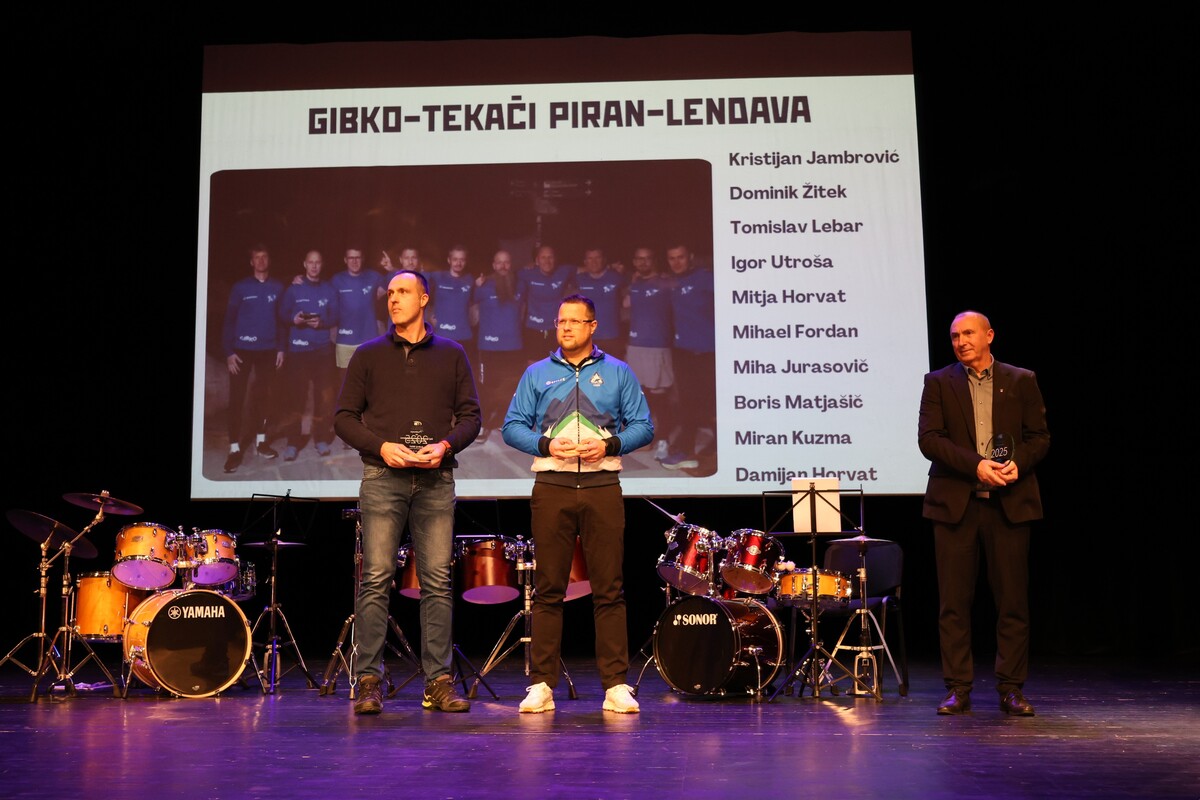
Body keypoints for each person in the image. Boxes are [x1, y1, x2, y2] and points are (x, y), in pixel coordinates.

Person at [334, 269, 480, 715]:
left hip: (436, 480)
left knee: (436, 581)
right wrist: (381, 446)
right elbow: (344, 418)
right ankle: (368, 681)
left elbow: (471, 417)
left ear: (424, 299)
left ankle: (438, 683)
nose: (393, 299)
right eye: (391, 293)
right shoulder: (368, 354)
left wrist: (446, 445)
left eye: (403, 292)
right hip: (383, 477)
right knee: (377, 577)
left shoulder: (452, 353)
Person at [502, 294, 654, 714]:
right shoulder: (536, 373)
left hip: (602, 486)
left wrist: (610, 444)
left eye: (575, 321)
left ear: (592, 326)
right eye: (560, 321)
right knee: (549, 589)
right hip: (552, 485)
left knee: (609, 588)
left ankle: (616, 685)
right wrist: (546, 443)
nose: (566, 327)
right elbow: (512, 426)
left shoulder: (618, 371)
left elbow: (644, 426)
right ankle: (541, 684)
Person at [918, 310, 1050, 717]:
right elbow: (929, 440)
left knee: (1012, 602)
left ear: (989, 335)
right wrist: (976, 465)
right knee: (954, 604)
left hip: (1009, 503)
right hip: (955, 505)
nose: (960, 342)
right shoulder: (938, 382)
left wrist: (1017, 464)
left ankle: (1011, 688)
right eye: (954, 336)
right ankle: (958, 687)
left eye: (968, 333)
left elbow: (1039, 437)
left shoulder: (1021, 380)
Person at [221, 243, 284, 472]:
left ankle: (261, 441)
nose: (261, 261)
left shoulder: (278, 287)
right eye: (257, 257)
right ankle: (234, 448)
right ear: (251, 262)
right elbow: (229, 321)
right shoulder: (240, 287)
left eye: (264, 256)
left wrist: (281, 348)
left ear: (269, 260)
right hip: (242, 351)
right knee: (237, 398)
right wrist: (229, 352)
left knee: (263, 397)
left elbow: (281, 320)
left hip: (268, 350)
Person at [276, 249, 338, 460]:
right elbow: (282, 314)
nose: (314, 266)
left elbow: (335, 315)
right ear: (304, 264)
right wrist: (293, 320)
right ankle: (293, 443)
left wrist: (322, 323)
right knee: (296, 398)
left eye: (317, 262)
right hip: (298, 351)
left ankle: (320, 439)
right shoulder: (294, 289)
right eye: (310, 262)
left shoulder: (328, 289)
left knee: (323, 398)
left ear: (322, 265)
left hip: (322, 352)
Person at [663, 242, 716, 472]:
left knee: (710, 404)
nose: (676, 262)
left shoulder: (705, 278)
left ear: (690, 257)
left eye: (681, 257)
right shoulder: (671, 282)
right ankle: (686, 451)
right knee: (687, 403)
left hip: (707, 353)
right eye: (672, 258)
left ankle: (718, 450)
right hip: (682, 352)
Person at [624, 245, 675, 462]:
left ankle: (664, 440)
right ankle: (645, 439)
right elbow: (626, 304)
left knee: (660, 397)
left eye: (647, 258)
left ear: (654, 260)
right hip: (636, 346)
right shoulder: (635, 284)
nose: (642, 262)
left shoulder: (667, 283)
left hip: (658, 347)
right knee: (640, 395)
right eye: (638, 258)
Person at [470, 249, 525, 442]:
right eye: (499, 262)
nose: (503, 266)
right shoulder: (482, 286)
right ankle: (483, 423)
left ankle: (503, 421)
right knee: (486, 387)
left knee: (510, 386)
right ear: (493, 265)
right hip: (489, 347)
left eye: (506, 262)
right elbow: (469, 308)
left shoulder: (520, 284)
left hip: (513, 346)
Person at [516, 244, 575, 365]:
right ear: (537, 260)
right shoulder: (526, 273)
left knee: (557, 365)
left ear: (555, 259)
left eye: (550, 257)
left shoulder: (564, 271)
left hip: (556, 328)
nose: (547, 261)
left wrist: (610, 266)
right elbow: (504, 274)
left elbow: (587, 269)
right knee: (534, 366)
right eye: (543, 257)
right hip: (533, 328)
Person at [427, 244, 477, 372]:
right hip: (442, 334)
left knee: (461, 373)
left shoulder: (471, 280)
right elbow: (420, 296)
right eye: (455, 259)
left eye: (462, 260)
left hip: (464, 335)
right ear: (449, 260)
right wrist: (428, 316)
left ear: (465, 261)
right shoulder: (437, 277)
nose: (458, 263)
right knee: (441, 372)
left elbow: (477, 302)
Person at [574, 246, 628, 360]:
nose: (594, 262)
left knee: (613, 371)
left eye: (597, 258)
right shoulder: (578, 279)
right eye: (590, 258)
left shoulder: (617, 277)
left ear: (604, 260)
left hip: (613, 338)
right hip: (588, 338)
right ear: (585, 262)